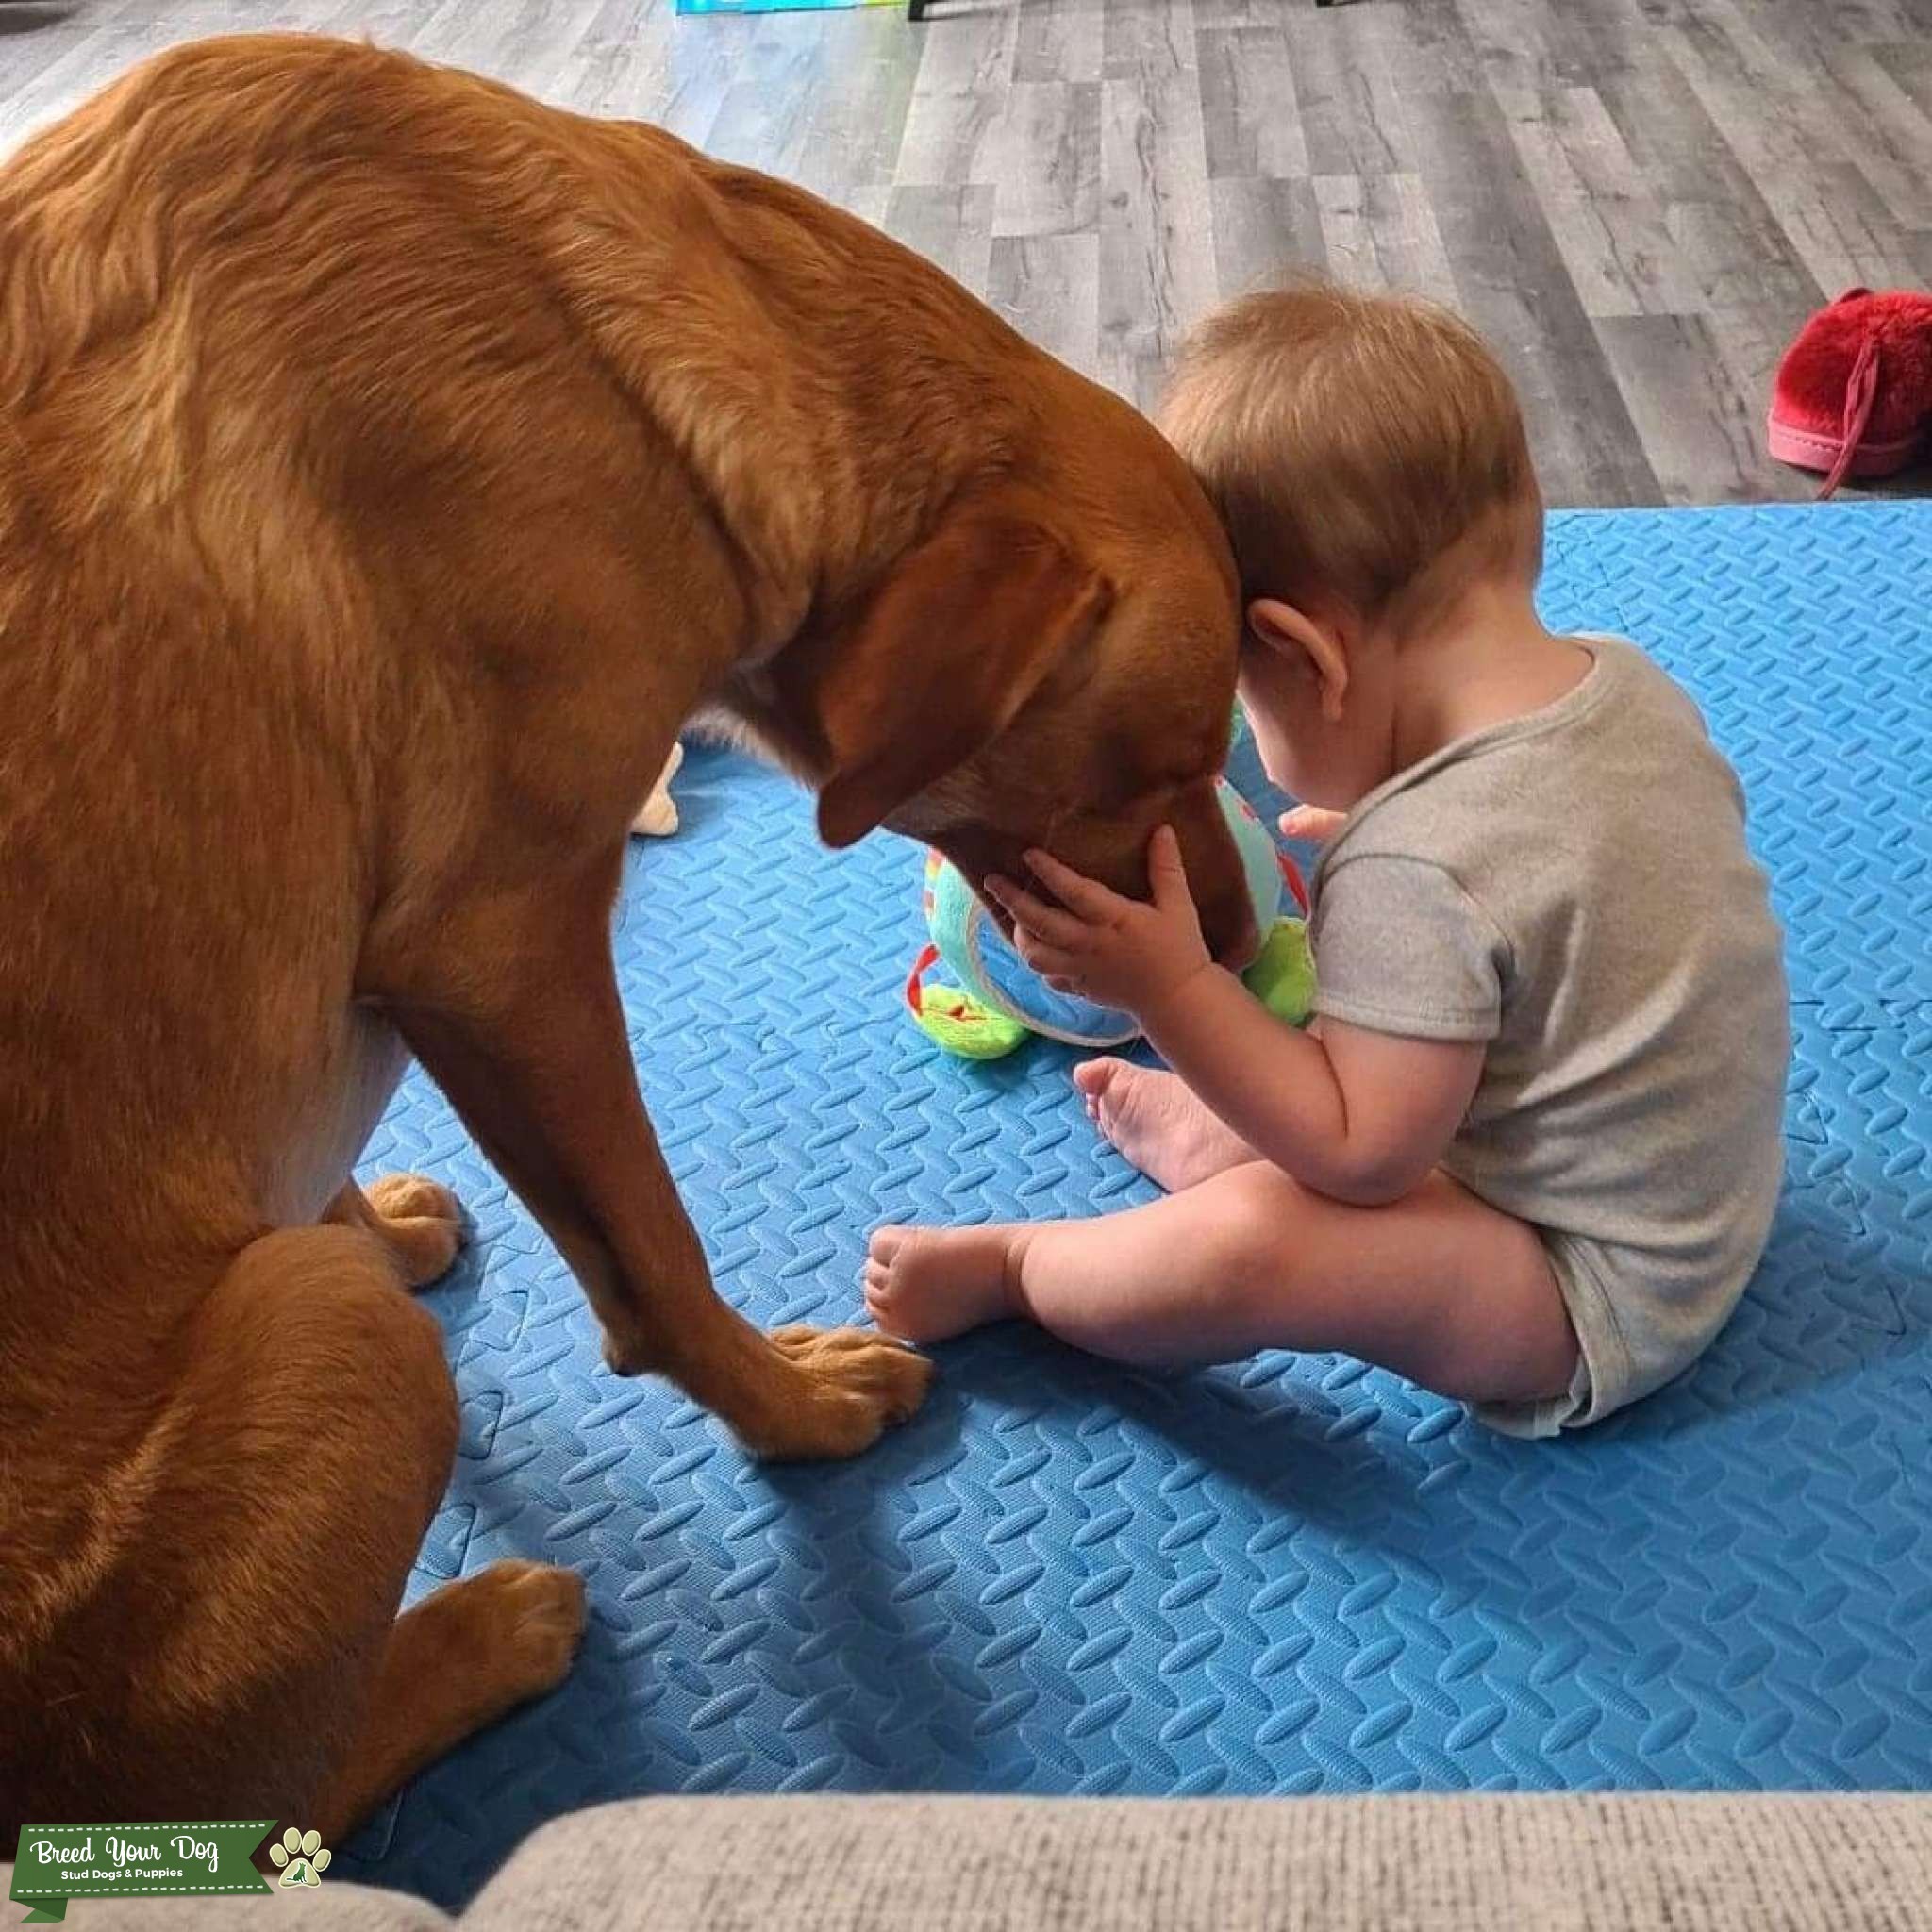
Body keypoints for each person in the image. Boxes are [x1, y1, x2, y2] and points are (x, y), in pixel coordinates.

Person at [863, 283, 1790, 1437]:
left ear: (1304, 653)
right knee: (1355, 1052)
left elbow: (1361, 1158)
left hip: (1590, 1286)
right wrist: (1418, 895)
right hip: (1710, 1189)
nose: (1243, 739)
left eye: (1240, 697)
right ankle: (1227, 1135)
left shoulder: (1421, 871)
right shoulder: (1625, 679)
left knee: (1263, 1244)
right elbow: (1572, 879)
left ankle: (1023, 1271)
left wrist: (1170, 986)